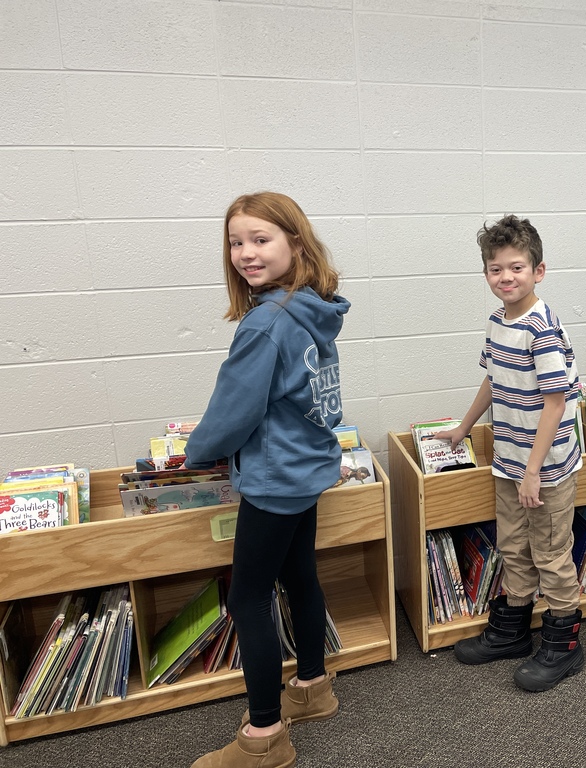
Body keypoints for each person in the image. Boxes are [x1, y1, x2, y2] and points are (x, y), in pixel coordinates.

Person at [185, 192, 350, 768]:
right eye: (236, 242)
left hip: (277, 476)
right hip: (307, 467)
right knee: (300, 576)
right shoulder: (309, 308)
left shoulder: (265, 323)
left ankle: (264, 738)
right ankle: (311, 686)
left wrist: (195, 454)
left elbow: (235, 408)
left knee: (248, 598)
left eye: (261, 239)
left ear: (295, 243)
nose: (246, 253)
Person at [437, 214, 584, 692]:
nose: (506, 277)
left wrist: (534, 471)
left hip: (547, 467)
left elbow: (555, 402)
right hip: (510, 459)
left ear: (538, 271)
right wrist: (464, 426)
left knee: (550, 552)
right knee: (513, 545)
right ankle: (514, 629)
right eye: (496, 269)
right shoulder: (498, 321)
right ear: (486, 275)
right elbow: (492, 377)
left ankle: (564, 642)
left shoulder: (541, 327)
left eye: (516, 267)